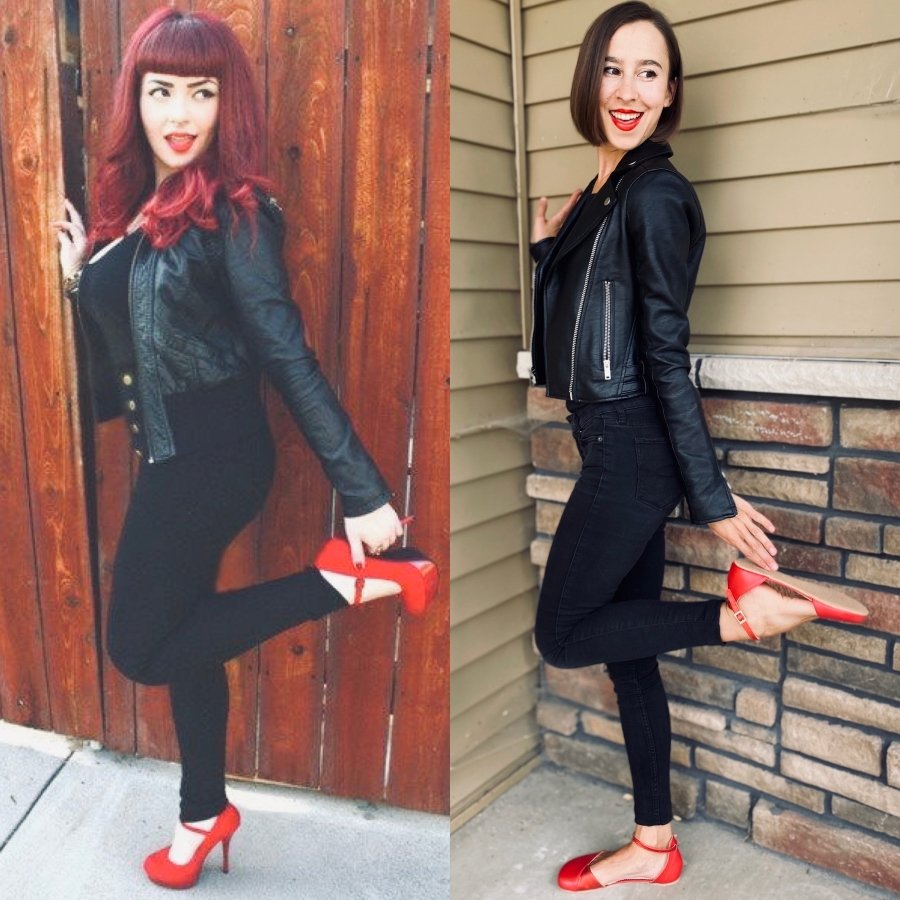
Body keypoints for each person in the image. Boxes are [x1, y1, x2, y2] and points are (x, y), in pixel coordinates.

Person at [52, 8, 437, 890]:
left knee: (142, 649)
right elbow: (131, 346)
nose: (180, 112)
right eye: (161, 91)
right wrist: (83, 276)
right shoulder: (146, 210)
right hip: (173, 455)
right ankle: (201, 817)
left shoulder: (237, 211)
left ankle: (348, 580)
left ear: (230, 103)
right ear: (135, 99)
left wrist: (365, 493)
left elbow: (285, 354)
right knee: (187, 638)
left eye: (202, 91)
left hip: (214, 465)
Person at [529, 2, 867, 891]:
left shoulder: (657, 196)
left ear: (671, 91)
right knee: (627, 652)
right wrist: (546, 252)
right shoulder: (601, 196)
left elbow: (668, 358)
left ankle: (743, 616)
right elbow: (575, 329)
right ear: (589, 79)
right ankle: (653, 845)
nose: (629, 89)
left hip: (632, 447)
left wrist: (709, 499)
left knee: (563, 634)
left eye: (650, 72)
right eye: (613, 68)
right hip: (610, 435)